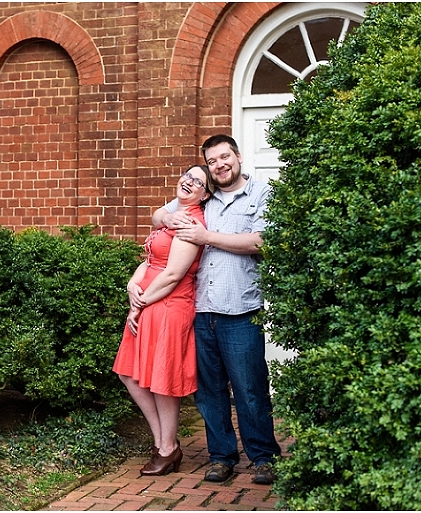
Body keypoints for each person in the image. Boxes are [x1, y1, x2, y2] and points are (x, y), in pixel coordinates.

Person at [152, 134, 281, 485]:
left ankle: (263, 457)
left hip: (239, 309)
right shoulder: (203, 195)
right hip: (200, 309)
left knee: (249, 388)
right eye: (212, 161)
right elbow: (160, 214)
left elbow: (261, 242)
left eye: (225, 157)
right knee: (209, 391)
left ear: (237, 156)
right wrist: (167, 217)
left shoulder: (261, 193)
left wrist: (206, 238)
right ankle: (221, 456)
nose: (220, 165)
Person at [113, 165, 211, 476]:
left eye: (198, 182)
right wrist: (132, 282)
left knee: (161, 380)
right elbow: (151, 259)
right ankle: (163, 442)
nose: (189, 182)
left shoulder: (192, 222)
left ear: (205, 194)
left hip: (168, 306)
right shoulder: (171, 214)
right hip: (150, 301)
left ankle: (167, 448)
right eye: (188, 176)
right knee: (129, 373)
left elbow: (172, 275)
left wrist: (139, 305)